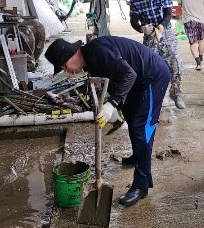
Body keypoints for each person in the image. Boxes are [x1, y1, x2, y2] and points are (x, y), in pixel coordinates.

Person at [45, 37, 170, 207]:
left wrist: (113, 104)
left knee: (141, 128)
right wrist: (115, 106)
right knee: (132, 120)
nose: (66, 70)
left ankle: (142, 185)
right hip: (137, 81)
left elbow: (128, 73)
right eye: (62, 68)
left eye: (65, 64)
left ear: (73, 53)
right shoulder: (90, 59)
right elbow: (114, 78)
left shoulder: (98, 51)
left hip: (152, 76)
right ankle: (140, 156)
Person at [126, 0, 185, 109]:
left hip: (166, 33)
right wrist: (141, 28)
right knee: (148, 68)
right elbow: (134, 20)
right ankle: (152, 97)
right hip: (149, 35)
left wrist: (162, 26)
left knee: (176, 64)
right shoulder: (135, 0)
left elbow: (167, 14)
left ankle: (176, 93)